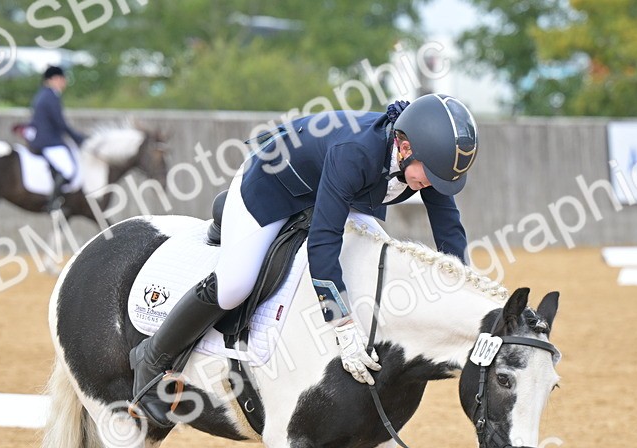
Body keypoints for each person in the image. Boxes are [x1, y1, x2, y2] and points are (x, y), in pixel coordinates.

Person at [130, 93, 478, 427]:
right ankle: (152, 356)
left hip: (332, 194)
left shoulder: (424, 163)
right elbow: (324, 239)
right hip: (272, 187)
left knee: (374, 259)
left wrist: (466, 293)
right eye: (430, 175)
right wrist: (342, 324)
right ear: (404, 147)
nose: (431, 184)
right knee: (235, 284)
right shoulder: (355, 152)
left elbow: (450, 231)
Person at [26, 66, 88, 204]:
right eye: (62, 79)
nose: (64, 82)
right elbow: (60, 123)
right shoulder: (50, 97)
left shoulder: (44, 94)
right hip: (48, 141)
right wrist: (78, 138)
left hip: (44, 138)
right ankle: (53, 202)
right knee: (68, 169)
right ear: (53, 79)